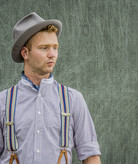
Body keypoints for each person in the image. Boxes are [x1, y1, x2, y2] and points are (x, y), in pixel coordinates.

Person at [0, 12, 101, 164]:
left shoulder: (74, 99)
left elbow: (91, 156)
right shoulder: (3, 101)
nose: (52, 54)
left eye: (55, 48)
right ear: (25, 53)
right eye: (44, 48)